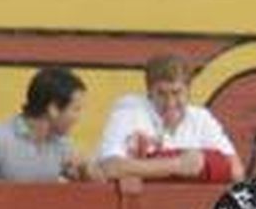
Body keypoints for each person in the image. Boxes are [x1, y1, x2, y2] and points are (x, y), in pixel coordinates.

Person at [90, 52, 244, 181]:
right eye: (161, 94)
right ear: (149, 92)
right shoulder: (130, 109)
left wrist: (145, 166)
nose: (170, 103)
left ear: (188, 90)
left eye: (176, 93)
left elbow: (237, 171)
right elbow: (110, 167)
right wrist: (178, 165)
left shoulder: (201, 118)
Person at [0, 66, 88, 181]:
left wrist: (84, 170)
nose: (78, 117)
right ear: (53, 109)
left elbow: (95, 192)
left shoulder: (62, 145)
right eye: (75, 109)